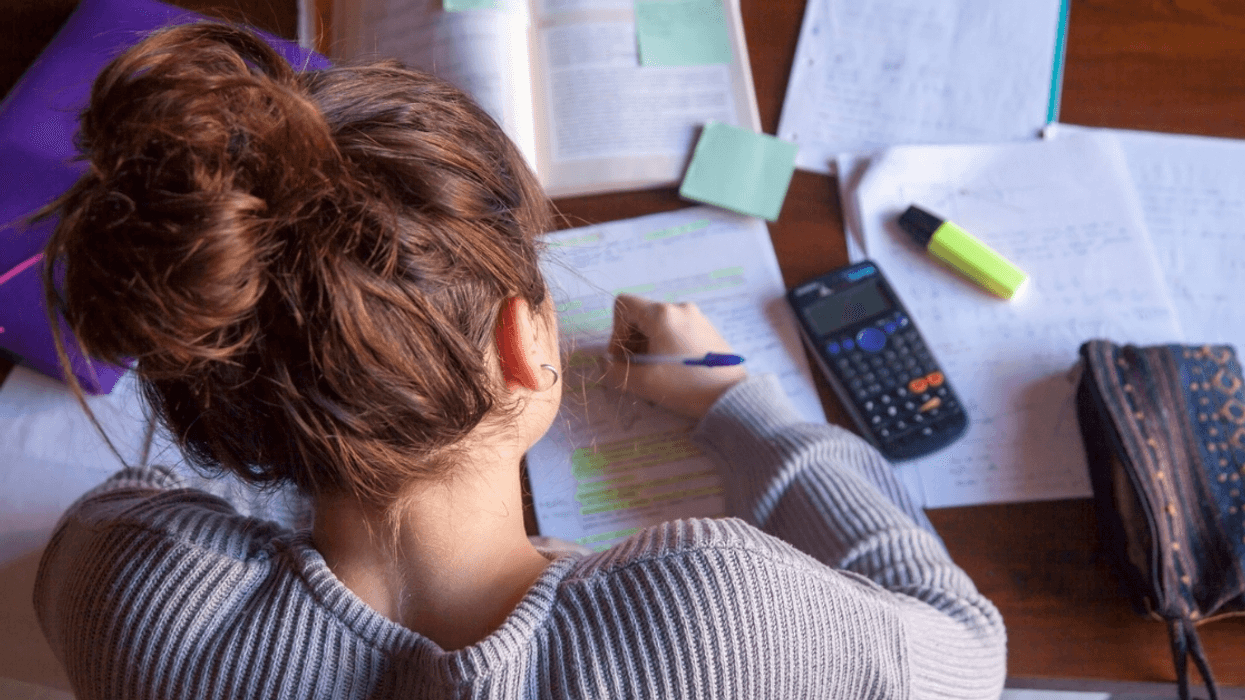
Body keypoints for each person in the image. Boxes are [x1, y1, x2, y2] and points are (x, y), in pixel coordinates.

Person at [33, 22, 1006, 700]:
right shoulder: (718, 613)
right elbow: (966, 650)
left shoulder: (136, 591)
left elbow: (106, 523)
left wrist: (310, 417)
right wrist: (744, 405)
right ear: (524, 343)